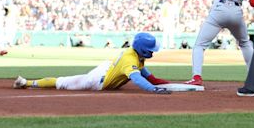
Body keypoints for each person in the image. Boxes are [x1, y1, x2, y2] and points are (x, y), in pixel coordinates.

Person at [13, 32, 172, 94]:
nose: (152, 52)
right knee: (63, 83)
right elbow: (137, 79)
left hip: (107, 68)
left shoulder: (136, 55)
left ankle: (26, 82)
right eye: (150, 49)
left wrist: (161, 83)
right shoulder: (130, 59)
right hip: (97, 80)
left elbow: (145, 74)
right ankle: (25, 82)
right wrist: (153, 89)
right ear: (142, 49)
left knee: (64, 82)